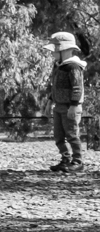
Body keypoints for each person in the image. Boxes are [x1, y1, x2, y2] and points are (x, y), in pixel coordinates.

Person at [47, 31, 86, 173]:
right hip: (58, 106)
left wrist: (74, 106)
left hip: (70, 107)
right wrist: (50, 102)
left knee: (72, 135)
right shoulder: (58, 66)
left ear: (64, 50)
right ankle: (65, 159)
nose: (52, 53)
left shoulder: (73, 67)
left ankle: (77, 161)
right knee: (58, 136)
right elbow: (55, 87)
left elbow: (77, 88)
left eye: (54, 50)